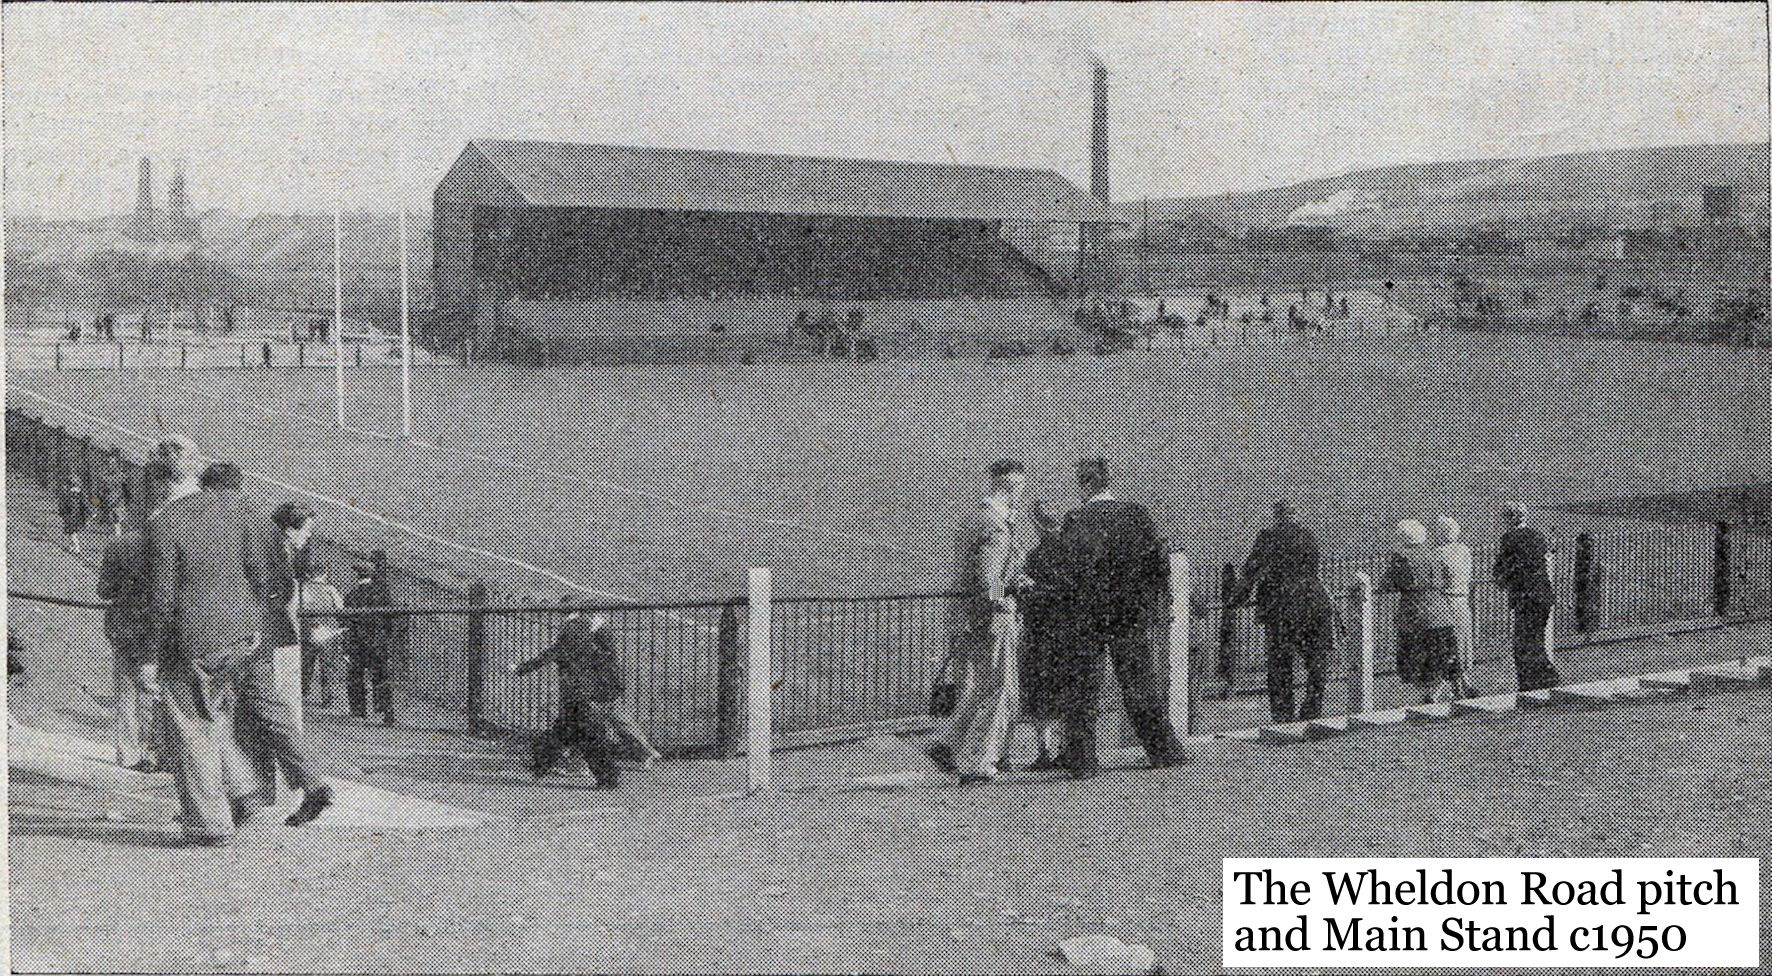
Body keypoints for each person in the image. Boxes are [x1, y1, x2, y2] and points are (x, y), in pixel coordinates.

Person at [186, 468, 335, 826]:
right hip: (256, 635)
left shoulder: (228, 527)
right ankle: (257, 792)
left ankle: (280, 788)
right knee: (252, 712)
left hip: (242, 636)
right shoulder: (256, 524)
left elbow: (276, 587)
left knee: (239, 710)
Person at [143, 453, 272, 845]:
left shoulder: (167, 520)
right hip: (243, 637)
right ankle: (244, 792)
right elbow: (261, 575)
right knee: (216, 716)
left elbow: (163, 596)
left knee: (190, 728)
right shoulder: (245, 509)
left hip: (194, 642)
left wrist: (150, 655)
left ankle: (208, 823)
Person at [1051, 458, 1186, 778]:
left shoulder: (1076, 519)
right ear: (1108, 481)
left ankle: (1082, 761)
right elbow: (1158, 564)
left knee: (1083, 687)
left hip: (1087, 615)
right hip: (1129, 613)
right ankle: (1163, 750)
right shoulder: (1136, 514)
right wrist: (1157, 604)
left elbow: (1067, 573)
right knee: (1139, 683)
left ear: (1084, 484)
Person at [925, 460, 1034, 784]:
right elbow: (988, 581)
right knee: (1000, 689)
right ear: (1013, 488)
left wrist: (1013, 578)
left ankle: (946, 743)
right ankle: (977, 761)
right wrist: (1009, 592)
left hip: (964, 616)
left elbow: (976, 571)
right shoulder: (997, 526)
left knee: (983, 687)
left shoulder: (973, 518)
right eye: (1021, 490)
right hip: (989, 619)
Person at [510, 604, 652, 788]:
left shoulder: (569, 635)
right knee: (565, 731)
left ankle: (606, 777)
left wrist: (520, 669)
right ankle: (541, 765)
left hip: (577, 695)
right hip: (584, 694)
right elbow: (604, 658)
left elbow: (547, 656)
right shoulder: (588, 636)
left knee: (585, 735)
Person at [1226, 501, 1335, 723]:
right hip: (1313, 601)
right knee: (1316, 661)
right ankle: (1312, 711)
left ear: (1276, 516)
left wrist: (1236, 599)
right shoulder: (1308, 536)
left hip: (1283, 605)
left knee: (1280, 662)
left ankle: (1284, 715)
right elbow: (1313, 569)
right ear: (1296, 516)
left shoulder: (1268, 537)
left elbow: (1251, 571)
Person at [98, 529, 161, 771]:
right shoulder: (171, 539)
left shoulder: (118, 544)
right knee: (154, 690)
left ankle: (129, 752)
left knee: (125, 692)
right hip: (157, 628)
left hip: (124, 626)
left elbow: (103, 590)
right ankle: (152, 752)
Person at [1015, 502, 1069, 770]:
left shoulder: (1035, 557)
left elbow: (1016, 592)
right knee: (1061, 690)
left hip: (1039, 631)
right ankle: (1061, 749)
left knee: (1038, 691)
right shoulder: (1069, 552)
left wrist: (991, 591)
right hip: (1064, 631)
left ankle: (1045, 751)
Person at [1384, 520, 1460, 705]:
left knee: (1415, 658)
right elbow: (1448, 579)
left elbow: (1387, 584)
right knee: (1441, 656)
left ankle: (1428, 695)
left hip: (1414, 615)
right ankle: (1435, 692)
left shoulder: (1401, 557)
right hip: (1441, 613)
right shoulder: (1434, 553)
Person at [261, 503, 321, 732]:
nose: (308, 537)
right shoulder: (279, 561)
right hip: (280, 642)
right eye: (307, 530)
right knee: (284, 705)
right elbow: (280, 605)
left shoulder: (279, 554)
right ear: (290, 530)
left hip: (281, 639)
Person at [1492, 503, 1561, 691]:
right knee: (1534, 639)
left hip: (1525, 596)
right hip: (1543, 594)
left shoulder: (1510, 538)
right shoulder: (1537, 535)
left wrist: (1501, 577)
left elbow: (1503, 566)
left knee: (1523, 643)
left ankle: (1537, 681)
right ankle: (1541, 680)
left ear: (1511, 519)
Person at [341, 553, 400, 725]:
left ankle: (358, 710)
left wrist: (347, 645)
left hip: (358, 642)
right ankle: (386, 711)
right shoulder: (382, 593)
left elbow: (347, 622)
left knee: (355, 675)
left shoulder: (351, 595)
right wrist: (386, 636)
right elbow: (389, 619)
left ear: (358, 576)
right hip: (378, 640)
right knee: (381, 676)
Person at [1435, 516, 1478, 698]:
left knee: (1448, 646)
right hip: (1462, 601)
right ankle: (1462, 685)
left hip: (1446, 602)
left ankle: (1440, 691)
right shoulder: (1465, 550)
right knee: (1460, 643)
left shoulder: (1438, 553)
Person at [92, 448, 132, 537]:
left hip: (116, 499)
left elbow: (123, 484)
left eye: (113, 461)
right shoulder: (107, 474)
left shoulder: (118, 474)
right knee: (114, 516)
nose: (111, 463)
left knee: (117, 516)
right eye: (110, 461)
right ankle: (117, 530)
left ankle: (119, 532)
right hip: (110, 498)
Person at [57, 472, 90, 554]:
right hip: (79, 514)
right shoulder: (81, 493)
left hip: (70, 515)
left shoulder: (67, 494)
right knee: (74, 531)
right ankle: (73, 546)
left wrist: (61, 512)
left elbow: (63, 504)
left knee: (72, 532)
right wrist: (90, 511)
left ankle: (76, 547)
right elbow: (86, 503)